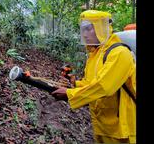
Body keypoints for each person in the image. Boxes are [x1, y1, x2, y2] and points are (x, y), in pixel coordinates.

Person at [51, 10, 136, 143]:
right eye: (82, 30)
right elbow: (92, 82)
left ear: (101, 28)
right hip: (101, 124)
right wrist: (75, 83)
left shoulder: (119, 53)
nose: (84, 34)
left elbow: (104, 86)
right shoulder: (95, 54)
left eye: (88, 29)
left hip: (121, 128)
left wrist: (70, 94)